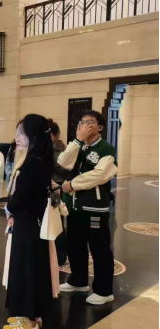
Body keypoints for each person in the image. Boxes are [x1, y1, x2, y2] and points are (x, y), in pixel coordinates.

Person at [58, 110, 118, 306]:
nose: (84, 125)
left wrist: (73, 184)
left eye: (89, 122)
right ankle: (78, 281)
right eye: (82, 122)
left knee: (99, 249)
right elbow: (63, 163)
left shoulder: (106, 148)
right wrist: (77, 141)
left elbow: (100, 175)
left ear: (100, 127)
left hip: (95, 208)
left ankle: (104, 291)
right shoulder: (79, 146)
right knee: (75, 245)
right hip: (75, 206)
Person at [3, 114, 54, 329]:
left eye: (21, 132)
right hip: (32, 223)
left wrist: (9, 208)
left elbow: (21, 196)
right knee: (30, 269)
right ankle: (30, 315)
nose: (17, 136)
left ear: (33, 135)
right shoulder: (40, 158)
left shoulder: (32, 162)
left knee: (28, 270)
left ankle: (31, 323)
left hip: (27, 225)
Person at [48, 119, 69, 266]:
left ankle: (60, 256)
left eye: (49, 134)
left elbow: (64, 170)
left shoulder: (63, 149)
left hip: (58, 186)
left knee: (58, 223)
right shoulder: (45, 147)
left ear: (55, 135)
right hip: (47, 186)